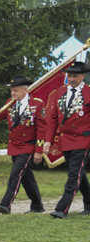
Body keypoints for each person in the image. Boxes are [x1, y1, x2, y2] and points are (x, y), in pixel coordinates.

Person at [0, 75, 46, 214]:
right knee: (27, 178)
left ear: (25, 90)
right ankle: (37, 205)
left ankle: (6, 204)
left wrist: (39, 151)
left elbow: (42, 129)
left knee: (16, 174)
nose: (13, 93)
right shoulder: (10, 103)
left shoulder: (37, 104)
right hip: (14, 146)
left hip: (28, 146)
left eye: (15, 90)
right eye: (11, 91)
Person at [44, 61, 90, 218]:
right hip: (66, 141)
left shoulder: (89, 92)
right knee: (78, 174)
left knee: (73, 175)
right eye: (69, 75)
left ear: (83, 76)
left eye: (75, 76)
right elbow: (52, 119)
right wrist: (48, 141)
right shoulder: (59, 93)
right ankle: (89, 205)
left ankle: (61, 209)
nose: (71, 79)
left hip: (83, 140)